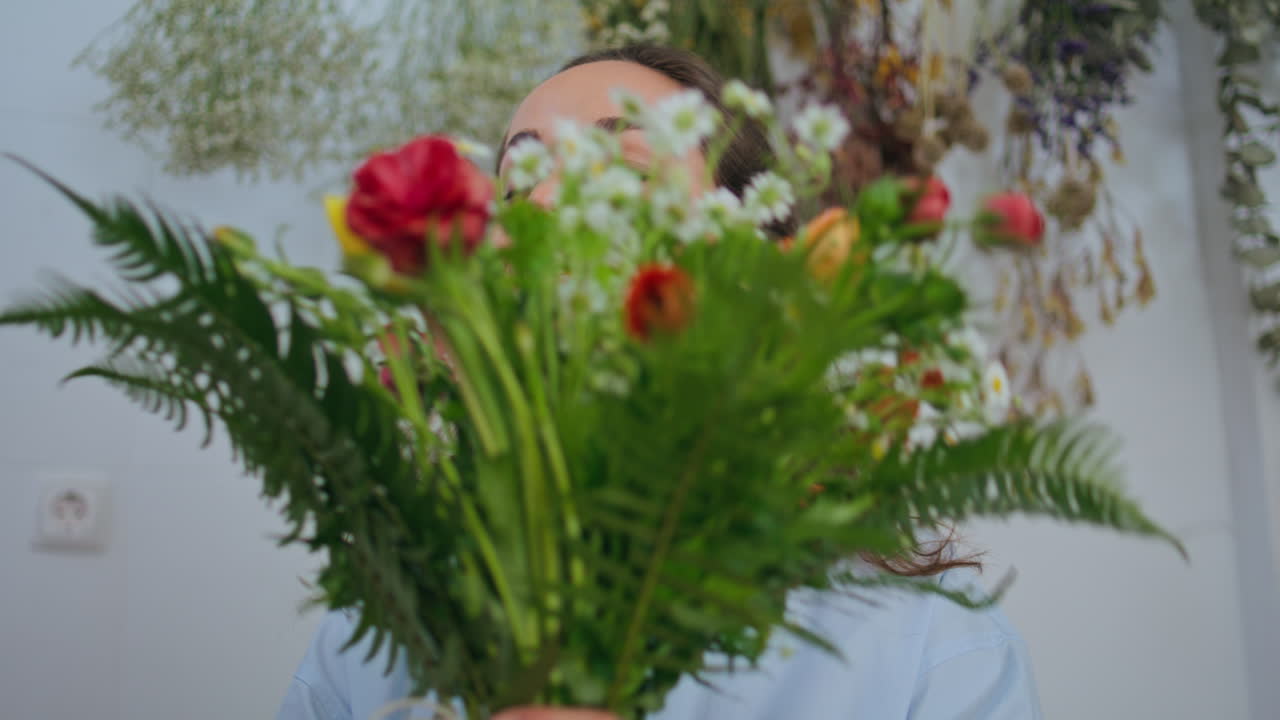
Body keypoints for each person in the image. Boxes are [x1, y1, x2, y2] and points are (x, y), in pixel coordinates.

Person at [278, 45, 1042, 720]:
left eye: (624, 169)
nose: (547, 200)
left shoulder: (926, 648)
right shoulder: (374, 638)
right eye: (516, 184)